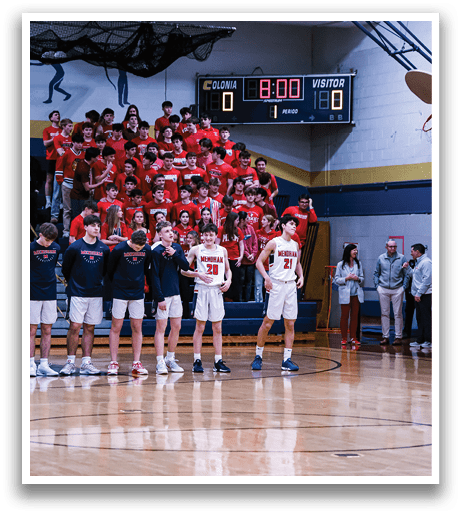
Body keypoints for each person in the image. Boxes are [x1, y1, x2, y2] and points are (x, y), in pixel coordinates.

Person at [251, 215, 303, 371]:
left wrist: (301, 276)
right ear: (283, 225)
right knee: (268, 323)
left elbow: (297, 264)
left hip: (290, 286)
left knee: (290, 323)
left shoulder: (295, 245)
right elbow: (259, 262)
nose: (294, 227)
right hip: (277, 285)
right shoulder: (274, 242)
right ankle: (258, 356)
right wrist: (266, 277)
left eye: (296, 225)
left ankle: (287, 360)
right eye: (292, 224)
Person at [60, 215, 110, 375]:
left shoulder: (104, 248)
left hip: (95, 293)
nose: (96, 228)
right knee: (75, 326)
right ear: (86, 227)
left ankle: (86, 363)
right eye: (93, 225)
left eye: (98, 226)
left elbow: (105, 271)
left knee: (90, 327)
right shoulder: (75, 247)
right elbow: (65, 269)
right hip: (77, 293)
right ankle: (70, 362)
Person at [181, 223, 232, 372]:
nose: (208, 237)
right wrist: (198, 274)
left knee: (218, 327)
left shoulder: (222, 250)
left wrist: (228, 281)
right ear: (202, 236)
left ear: (216, 236)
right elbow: (184, 270)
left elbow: (228, 271)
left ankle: (218, 361)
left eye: (211, 235)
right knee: (200, 326)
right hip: (201, 290)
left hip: (217, 290)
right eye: (206, 235)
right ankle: (197, 360)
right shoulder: (196, 249)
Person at [106, 230, 152, 375]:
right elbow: (109, 271)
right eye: (136, 247)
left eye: (141, 247)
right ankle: (113, 362)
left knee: (137, 327)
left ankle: (136, 362)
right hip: (120, 292)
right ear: (130, 241)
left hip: (138, 293)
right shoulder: (119, 249)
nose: (138, 249)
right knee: (116, 326)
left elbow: (146, 268)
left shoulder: (147, 249)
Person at [151, 221, 190, 374]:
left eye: (171, 231)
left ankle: (170, 358)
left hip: (176, 294)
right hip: (163, 296)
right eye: (167, 231)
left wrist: (175, 255)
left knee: (176, 327)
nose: (171, 233)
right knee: (161, 328)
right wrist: (159, 298)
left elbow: (186, 266)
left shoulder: (177, 248)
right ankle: (160, 361)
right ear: (160, 234)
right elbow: (153, 276)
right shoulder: (155, 251)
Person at [30, 223, 61, 376]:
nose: (49, 243)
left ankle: (43, 364)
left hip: (50, 293)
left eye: (51, 241)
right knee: (31, 330)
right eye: (46, 240)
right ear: (40, 234)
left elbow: (52, 266)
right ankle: (29, 364)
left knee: (47, 329)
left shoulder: (56, 248)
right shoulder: (30, 248)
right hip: (31, 293)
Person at [373, 239, 408, 345]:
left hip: (397, 289)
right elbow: (376, 273)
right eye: (390, 246)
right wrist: (377, 286)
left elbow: (406, 274)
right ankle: (385, 336)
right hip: (383, 289)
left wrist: (403, 287)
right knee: (384, 313)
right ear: (386, 247)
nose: (392, 248)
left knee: (398, 314)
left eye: (394, 247)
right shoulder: (381, 258)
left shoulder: (401, 258)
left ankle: (398, 337)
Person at [334, 244, 365, 347]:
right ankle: (343, 338)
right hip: (345, 294)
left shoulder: (358, 264)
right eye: (354, 250)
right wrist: (346, 278)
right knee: (344, 316)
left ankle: (353, 338)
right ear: (348, 251)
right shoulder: (340, 265)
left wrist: (358, 278)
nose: (356, 252)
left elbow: (362, 278)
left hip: (356, 294)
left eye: (356, 250)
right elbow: (336, 280)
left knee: (354, 316)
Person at [55, 133, 84, 237]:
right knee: (67, 209)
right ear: (73, 143)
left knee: (79, 210)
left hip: (79, 187)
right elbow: (59, 168)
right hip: (67, 184)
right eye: (78, 142)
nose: (80, 144)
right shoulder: (66, 153)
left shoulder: (83, 155)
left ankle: (78, 231)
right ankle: (66, 231)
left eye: (81, 142)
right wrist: (61, 182)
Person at [405, 244, 432, 348]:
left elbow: (427, 280)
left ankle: (429, 340)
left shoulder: (426, 262)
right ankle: (420, 340)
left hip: (425, 295)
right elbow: (415, 276)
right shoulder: (419, 262)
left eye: (412, 251)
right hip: (418, 295)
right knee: (419, 318)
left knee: (426, 318)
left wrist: (419, 293)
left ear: (418, 252)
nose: (411, 253)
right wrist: (407, 269)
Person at [216, 211, 244, 302]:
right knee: (224, 280)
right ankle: (224, 299)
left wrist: (241, 257)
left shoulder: (238, 230)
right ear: (232, 220)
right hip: (224, 259)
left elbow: (241, 245)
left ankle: (235, 300)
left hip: (235, 259)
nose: (238, 222)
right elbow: (217, 244)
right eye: (237, 220)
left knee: (236, 280)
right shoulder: (221, 229)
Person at [69, 147, 102, 220]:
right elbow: (87, 187)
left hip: (82, 197)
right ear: (92, 158)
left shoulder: (83, 163)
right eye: (97, 156)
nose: (98, 158)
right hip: (78, 198)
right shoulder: (83, 169)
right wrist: (100, 183)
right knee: (78, 218)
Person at [254, 214, 277, 302]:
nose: (261, 221)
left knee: (270, 285)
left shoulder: (275, 234)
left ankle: (269, 303)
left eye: (264, 220)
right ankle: (258, 303)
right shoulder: (258, 232)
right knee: (258, 285)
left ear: (269, 222)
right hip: (260, 263)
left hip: (271, 264)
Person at [238, 210, 258, 302]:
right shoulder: (237, 229)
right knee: (240, 280)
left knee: (249, 281)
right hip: (241, 260)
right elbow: (240, 244)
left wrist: (253, 254)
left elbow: (255, 242)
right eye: (247, 218)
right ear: (242, 220)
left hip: (251, 260)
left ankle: (247, 300)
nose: (249, 220)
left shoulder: (250, 228)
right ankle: (240, 300)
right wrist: (246, 254)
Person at [42, 110, 61, 209]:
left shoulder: (63, 130)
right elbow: (45, 143)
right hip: (50, 158)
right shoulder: (47, 130)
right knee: (49, 180)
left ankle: (59, 201)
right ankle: (48, 202)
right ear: (51, 118)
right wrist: (55, 138)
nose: (58, 116)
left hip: (60, 159)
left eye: (58, 115)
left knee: (60, 181)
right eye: (55, 115)